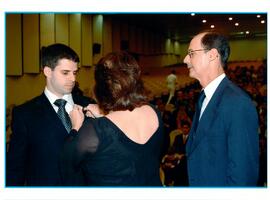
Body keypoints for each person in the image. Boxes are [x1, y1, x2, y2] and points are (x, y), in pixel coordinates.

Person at [59, 51, 164, 186]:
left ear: (101, 87)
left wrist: (75, 127)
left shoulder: (96, 129)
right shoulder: (153, 111)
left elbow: (66, 163)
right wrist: (105, 116)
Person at [6, 43, 94, 186]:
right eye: (65, 73)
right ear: (47, 71)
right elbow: (15, 169)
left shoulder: (89, 106)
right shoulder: (25, 114)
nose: (73, 79)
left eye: (75, 73)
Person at [183, 31, 259, 186]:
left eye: (191, 53)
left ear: (212, 55)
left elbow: (243, 175)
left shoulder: (238, 103)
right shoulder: (203, 98)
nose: (185, 60)